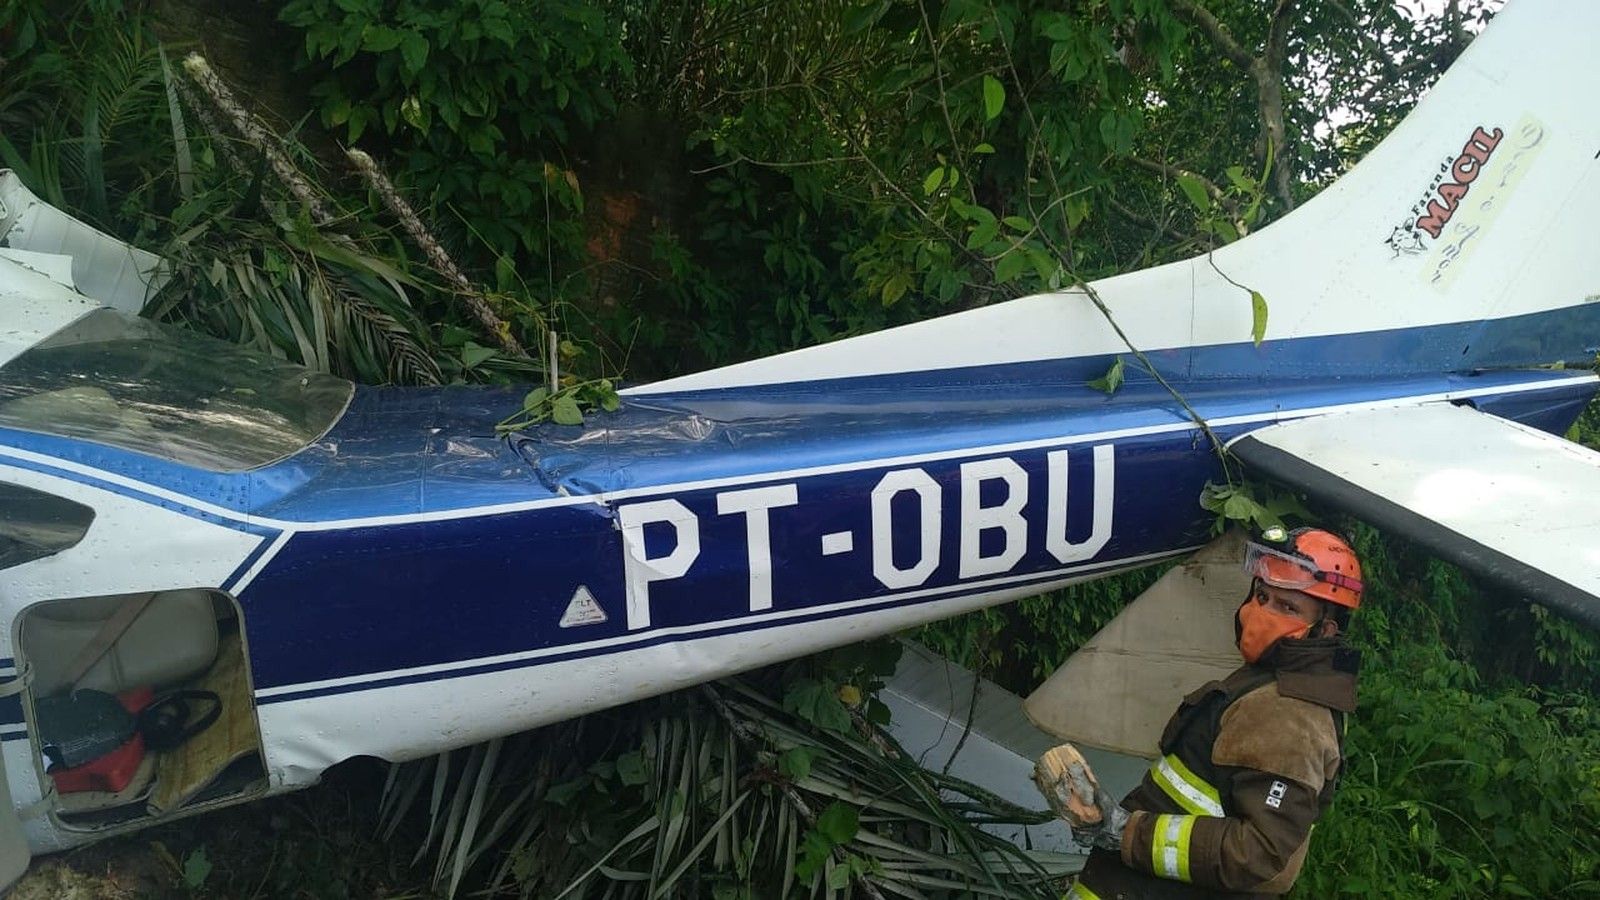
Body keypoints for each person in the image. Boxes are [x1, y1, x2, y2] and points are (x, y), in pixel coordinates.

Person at [1036, 526, 1363, 899]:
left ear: (1324, 630)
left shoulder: (1294, 716)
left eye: (1287, 607)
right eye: (1261, 596)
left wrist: (1126, 831)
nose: (1261, 613)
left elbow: (1257, 853)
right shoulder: (1267, 681)